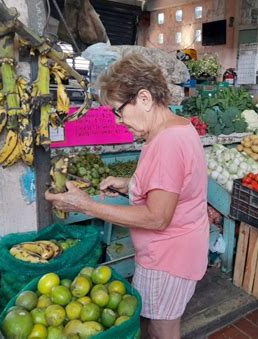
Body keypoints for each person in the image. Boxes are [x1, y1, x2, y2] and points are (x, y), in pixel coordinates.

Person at [46, 53, 209, 339]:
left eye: (118, 111)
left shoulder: (166, 143)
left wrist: (88, 206)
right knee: (153, 324)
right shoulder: (178, 126)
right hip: (176, 252)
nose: (118, 121)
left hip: (168, 259)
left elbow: (157, 217)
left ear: (144, 98)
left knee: (163, 330)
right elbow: (173, 185)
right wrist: (129, 185)